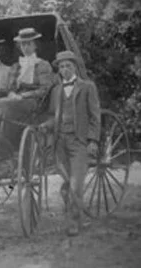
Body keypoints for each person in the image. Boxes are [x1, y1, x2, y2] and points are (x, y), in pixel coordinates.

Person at [40, 50, 101, 236]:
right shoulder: (57, 90)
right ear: (58, 70)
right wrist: (46, 126)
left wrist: (93, 140)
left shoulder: (87, 87)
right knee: (67, 183)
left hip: (79, 141)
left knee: (76, 184)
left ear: (75, 67)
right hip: (60, 142)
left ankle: (73, 223)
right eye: (61, 66)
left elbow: (95, 116)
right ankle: (72, 217)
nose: (65, 69)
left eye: (68, 65)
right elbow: (54, 116)